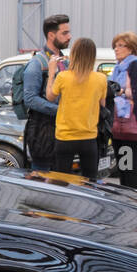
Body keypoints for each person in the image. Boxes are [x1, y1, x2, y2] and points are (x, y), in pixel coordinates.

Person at [45, 37, 105, 180]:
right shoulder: (101, 79)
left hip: (65, 137)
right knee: (90, 182)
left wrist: (51, 73)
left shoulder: (63, 77)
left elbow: (50, 97)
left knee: (61, 181)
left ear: (74, 54)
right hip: (89, 137)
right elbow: (102, 105)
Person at [21, 13, 71, 170]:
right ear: (51, 35)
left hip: (64, 130)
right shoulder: (37, 64)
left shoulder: (66, 62)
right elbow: (29, 98)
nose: (69, 36)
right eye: (64, 33)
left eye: (69, 32)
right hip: (43, 131)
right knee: (43, 183)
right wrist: (60, 110)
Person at [108, 31, 137, 189]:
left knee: (128, 166)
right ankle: (126, 196)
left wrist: (119, 91)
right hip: (119, 125)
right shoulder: (117, 69)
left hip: (131, 127)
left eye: (121, 45)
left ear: (131, 48)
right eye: (115, 45)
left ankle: (132, 199)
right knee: (123, 166)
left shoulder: (136, 67)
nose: (116, 49)